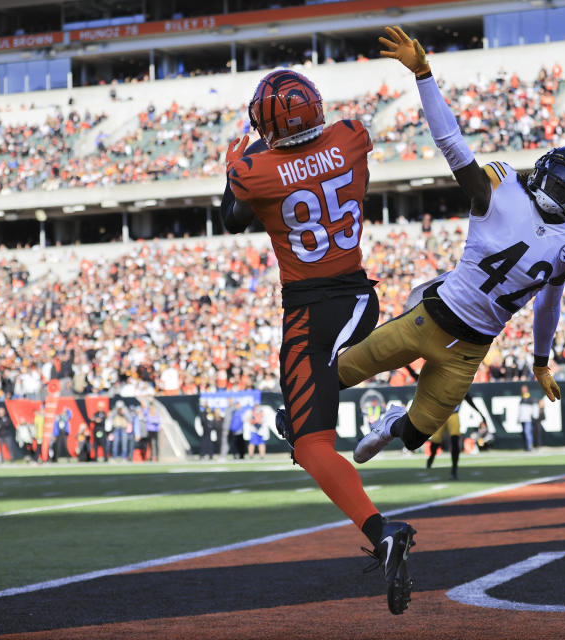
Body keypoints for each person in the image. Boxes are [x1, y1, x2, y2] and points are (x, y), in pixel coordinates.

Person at [345, 27, 565, 472]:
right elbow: (452, 144)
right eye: (556, 179)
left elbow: (549, 302)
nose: (557, 191)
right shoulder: (502, 188)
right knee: (342, 374)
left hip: (473, 347)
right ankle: (297, 421)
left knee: (415, 435)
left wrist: (541, 361)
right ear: (541, 171)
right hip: (435, 312)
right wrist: (424, 74)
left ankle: (389, 425)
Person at [221, 66, 415, 614]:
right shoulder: (352, 135)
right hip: (360, 295)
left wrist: (234, 166)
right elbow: (323, 160)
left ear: (266, 125)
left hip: (312, 310)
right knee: (303, 409)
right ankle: (305, 411)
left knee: (309, 445)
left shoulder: (254, 170)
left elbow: (233, 216)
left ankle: (382, 532)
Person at [425, 404, 462, 480]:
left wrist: (479, 412)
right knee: (435, 441)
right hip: (441, 415)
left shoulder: (459, 391)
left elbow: (468, 397)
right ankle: (431, 458)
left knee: (455, 441)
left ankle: (454, 469)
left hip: (453, 414)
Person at [518, 384, 538, 452]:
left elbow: (534, 408)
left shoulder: (530, 398)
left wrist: (534, 416)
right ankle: (527, 447)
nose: (522, 390)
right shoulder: (521, 398)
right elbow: (520, 410)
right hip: (522, 419)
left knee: (527, 432)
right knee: (525, 433)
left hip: (528, 419)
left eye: (524, 389)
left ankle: (530, 446)